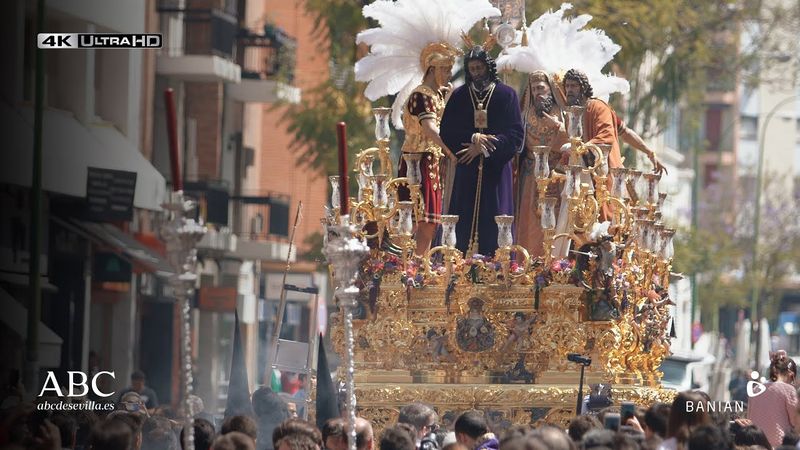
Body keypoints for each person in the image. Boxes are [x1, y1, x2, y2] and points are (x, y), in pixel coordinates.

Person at [441, 45, 524, 257]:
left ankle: (498, 269)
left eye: (479, 67)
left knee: (495, 222)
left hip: (495, 171)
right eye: (472, 69)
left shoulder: (507, 96)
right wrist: (472, 138)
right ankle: (459, 271)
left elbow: (515, 135)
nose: (476, 72)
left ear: (488, 67)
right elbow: (447, 131)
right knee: (462, 222)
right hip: (467, 169)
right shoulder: (459, 96)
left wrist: (484, 147)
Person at [397, 43, 458, 257]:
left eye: (450, 69)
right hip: (417, 160)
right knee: (416, 219)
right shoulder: (420, 96)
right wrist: (449, 152)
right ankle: (412, 266)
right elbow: (430, 128)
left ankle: (420, 264)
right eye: (445, 69)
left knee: (431, 221)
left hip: (431, 161)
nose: (449, 74)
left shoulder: (435, 95)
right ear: (432, 69)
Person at [515, 70, 569, 258]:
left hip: (555, 175)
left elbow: (572, 141)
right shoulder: (525, 113)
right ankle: (525, 264)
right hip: (530, 177)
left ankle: (552, 266)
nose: (538, 92)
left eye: (541, 88)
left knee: (553, 224)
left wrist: (558, 126)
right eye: (534, 88)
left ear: (550, 88)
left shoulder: (562, 113)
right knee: (529, 224)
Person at [747, 351, 799, 448]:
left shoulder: (755, 389)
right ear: (790, 374)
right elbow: (795, 420)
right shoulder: (788, 389)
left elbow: (749, 417)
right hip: (779, 444)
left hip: (756, 443)